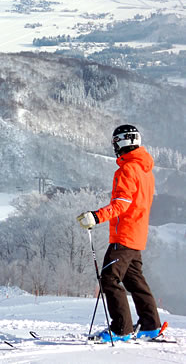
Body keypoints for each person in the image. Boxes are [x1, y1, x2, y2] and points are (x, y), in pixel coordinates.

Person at [77, 125, 162, 342]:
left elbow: (121, 204)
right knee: (135, 281)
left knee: (109, 278)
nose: (114, 147)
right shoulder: (146, 171)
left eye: (115, 142)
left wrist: (96, 216)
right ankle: (151, 325)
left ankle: (121, 328)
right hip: (137, 235)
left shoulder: (127, 170)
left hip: (124, 235)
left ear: (124, 142)